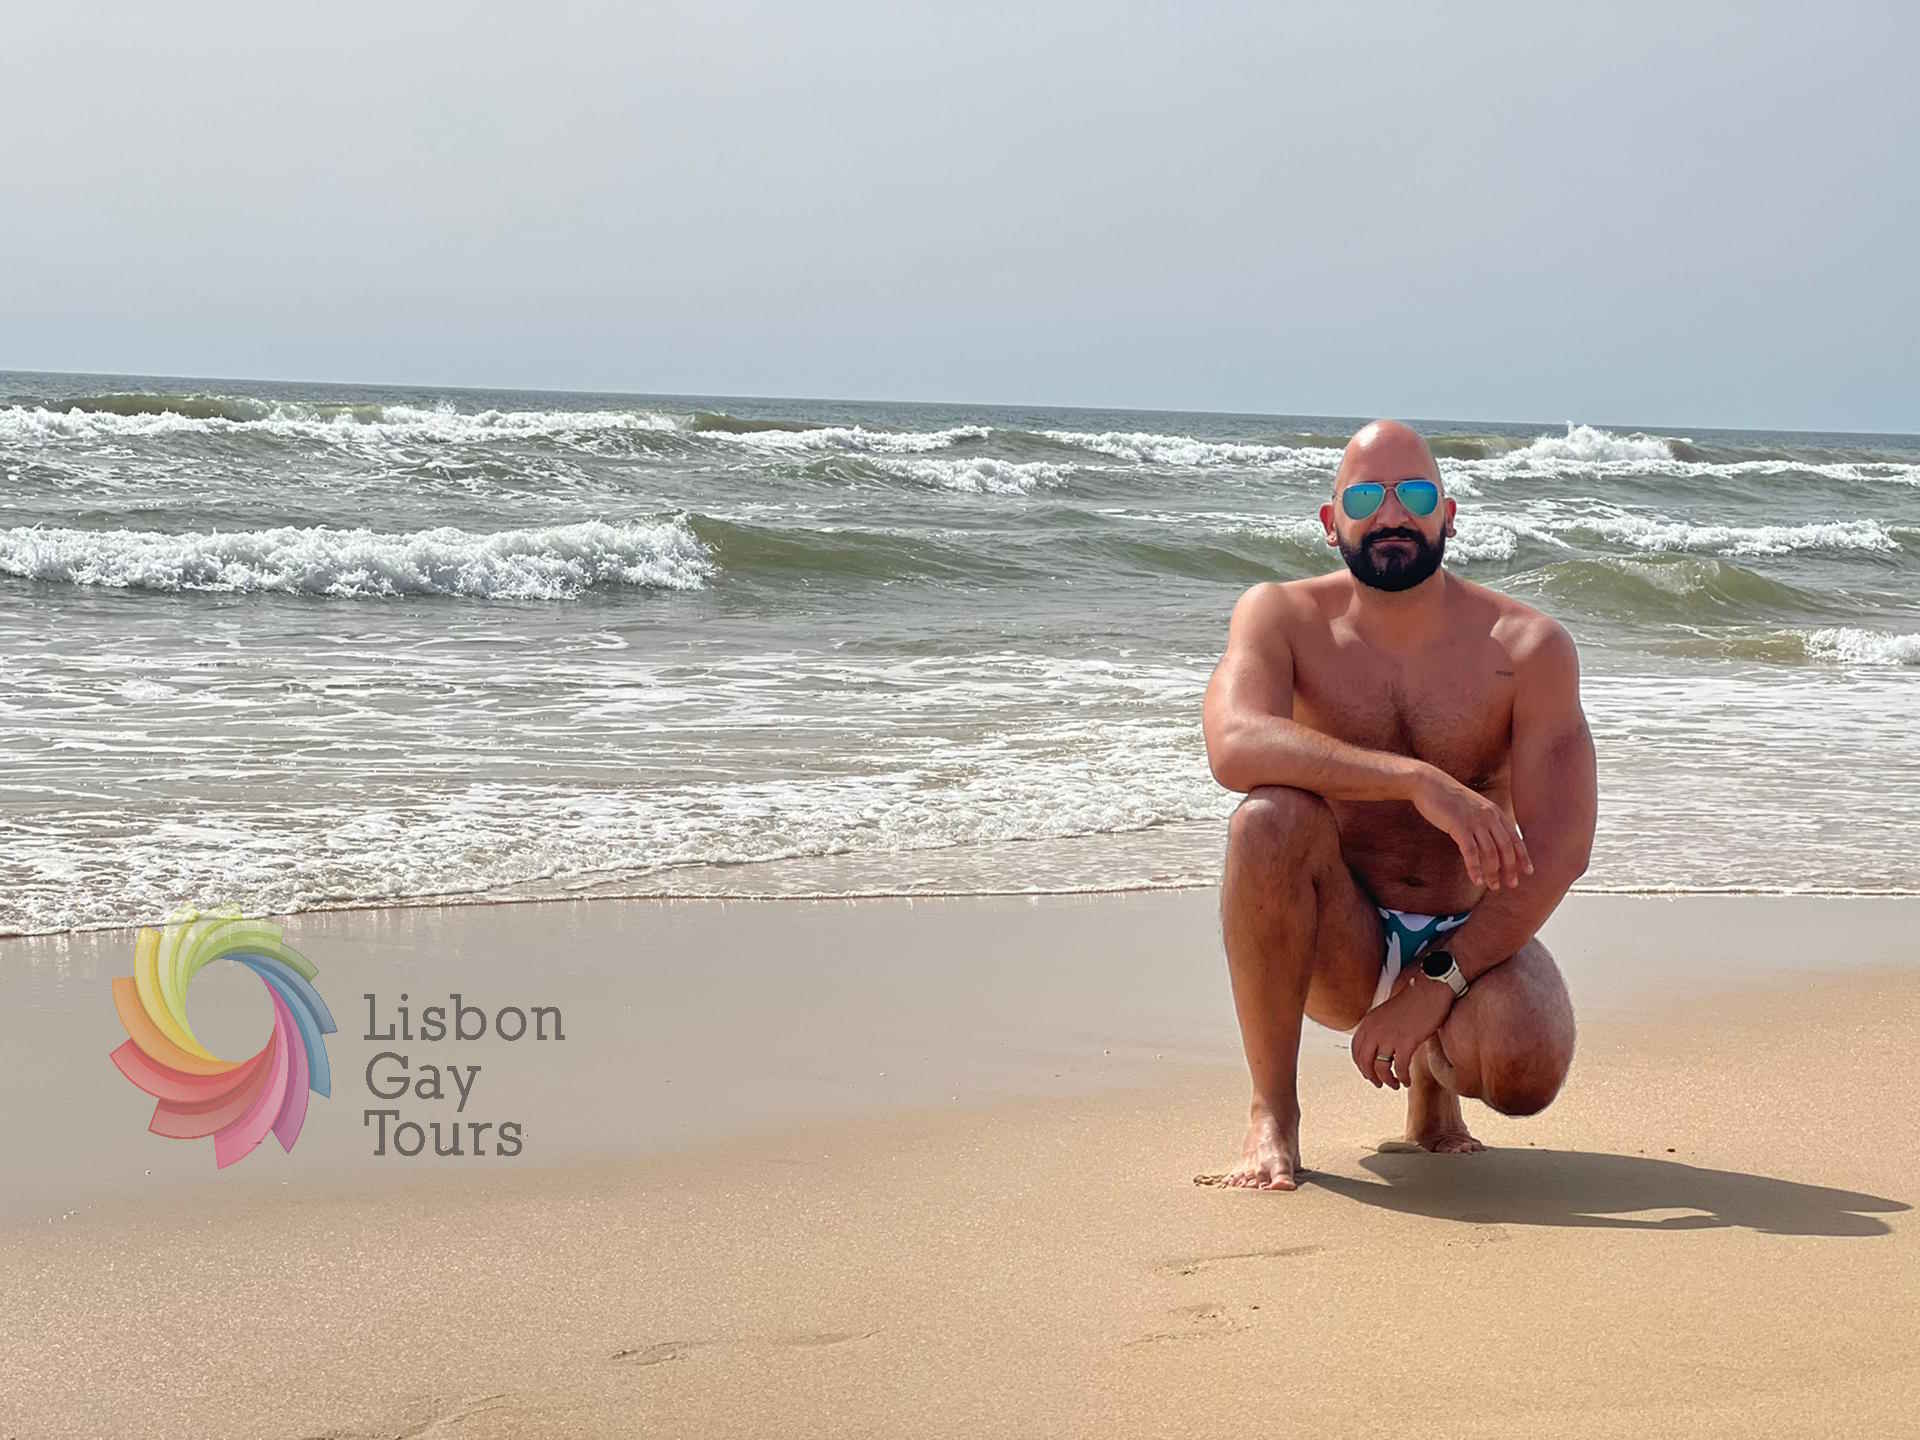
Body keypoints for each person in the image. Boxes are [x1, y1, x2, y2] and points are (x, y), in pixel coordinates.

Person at [1199, 419, 1597, 1191]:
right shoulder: (1281, 617)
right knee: (1267, 820)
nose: (1391, 514)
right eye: (1365, 498)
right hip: (1340, 938)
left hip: (1467, 935)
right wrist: (1419, 780)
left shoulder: (1527, 647)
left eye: (1414, 494)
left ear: (1448, 515)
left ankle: (1434, 1092)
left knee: (1524, 1071)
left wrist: (1434, 985)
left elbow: (1562, 850)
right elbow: (1234, 746)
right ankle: (1272, 1112)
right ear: (1331, 522)